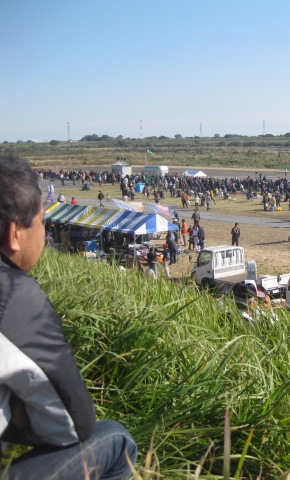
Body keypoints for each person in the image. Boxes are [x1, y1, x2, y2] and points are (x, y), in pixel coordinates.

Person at [0, 155, 137, 479]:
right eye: (41, 222)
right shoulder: (12, 293)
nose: (44, 233)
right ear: (15, 234)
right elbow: (73, 425)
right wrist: (19, 412)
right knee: (115, 438)